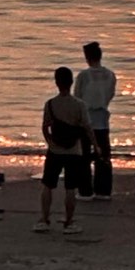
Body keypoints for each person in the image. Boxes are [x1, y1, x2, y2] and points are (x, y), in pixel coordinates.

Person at [39, 66, 93, 231]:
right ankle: (69, 222)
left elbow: (45, 127)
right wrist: (96, 146)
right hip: (73, 151)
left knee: (48, 185)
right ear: (71, 82)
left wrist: (50, 142)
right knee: (71, 187)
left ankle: (44, 220)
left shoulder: (50, 104)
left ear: (56, 82)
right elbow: (87, 128)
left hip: (55, 150)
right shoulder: (79, 105)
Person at [74, 42, 117, 200]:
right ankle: (103, 190)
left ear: (87, 57)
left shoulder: (84, 76)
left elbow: (77, 97)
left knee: (84, 156)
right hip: (102, 117)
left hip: (86, 118)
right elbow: (111, 94)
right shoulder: (110, 75)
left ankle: (85, 190)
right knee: (103, 155)